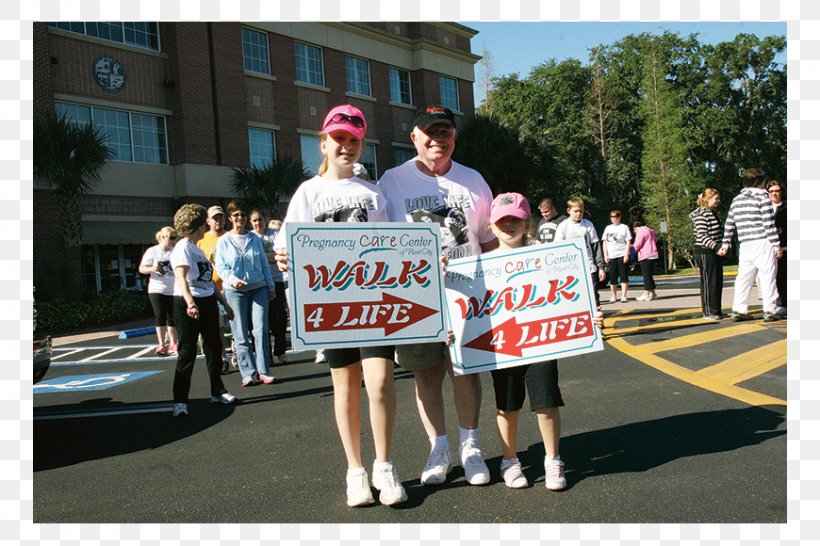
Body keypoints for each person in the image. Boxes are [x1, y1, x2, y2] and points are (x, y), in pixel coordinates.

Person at [274, 104, 407, 507]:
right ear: (324, 143)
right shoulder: (308, 192)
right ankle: (355, 470)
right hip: (331, 307)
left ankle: (384, 465)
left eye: (353, 139)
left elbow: (397, 247)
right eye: (339, 138)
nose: (346, 146)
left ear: (362, 143)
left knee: (381, 384)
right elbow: (287, 245)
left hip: (375, 303)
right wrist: (283, 256)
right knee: (346, 387)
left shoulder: (374, 193)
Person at [378, 105, 495, 487]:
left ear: (454, 138)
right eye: (430, 133)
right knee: (426, 373)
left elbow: (490, 243)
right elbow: (373, 241)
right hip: (416, 297)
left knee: (466, 370)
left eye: (445, 132)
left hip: (468, 293)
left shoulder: (473, 180)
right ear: (414, 137)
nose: (437, 140)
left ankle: (470, 445)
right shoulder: (392, 182)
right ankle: (439, 447)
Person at [480, 192, 604, 490]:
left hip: (542, 341)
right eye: (502, 220)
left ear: (528, 224)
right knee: (506, 404)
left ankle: (553, 458)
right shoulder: (481, 264)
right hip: (504, 345)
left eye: (516, 220)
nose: (508, 225)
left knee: (546, 401)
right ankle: (509, 460)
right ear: (491, 226)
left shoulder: (548, 256)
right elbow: (468, 312)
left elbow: (568, 293)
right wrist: (455, 331)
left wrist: (589, 316)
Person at [169, 204, 237, 417]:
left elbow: (208, 283)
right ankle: (180, 402)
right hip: (187, 303)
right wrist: (190, 303)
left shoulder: (196, 247)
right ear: (197, 225)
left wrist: (225, 304)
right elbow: (181, 277)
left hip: (207, 300)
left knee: (214, 348)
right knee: (187, 352)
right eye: (202, 224)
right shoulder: (182, 247)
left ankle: (217, 391)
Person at [216, 200, 276, 387]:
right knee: (240, 331)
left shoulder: (254, 239)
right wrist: (233, 280)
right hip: (235, 291)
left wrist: (270, 286)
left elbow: (265, 265)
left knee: (260, 329)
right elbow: (221, 267)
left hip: (258, 288)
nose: (240, 218)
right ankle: (247, 372)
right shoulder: (224, 241)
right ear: (230, 218)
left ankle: (264, 370)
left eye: (242, 215)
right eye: (236, 215)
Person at [717, 168, 782, 322]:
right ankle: (770, 310)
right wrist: (776, 245)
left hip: (745, 244)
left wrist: (725, 242)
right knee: (768, 277)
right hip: (763, 242)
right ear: (759, 182)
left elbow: (729, 223)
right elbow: (768, 224)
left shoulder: (737, 199)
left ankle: (739, 309)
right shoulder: (762, 198)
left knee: (744, 278)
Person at [250, 209, 289, 365]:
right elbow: (252, 258)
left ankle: (280, 351)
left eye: (260, 219)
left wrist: (262, 256)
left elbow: (281, 255)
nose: (258, 223)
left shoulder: (275, 234)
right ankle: (266, 356)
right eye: (254, 220)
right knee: (261, 321)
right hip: (260, 283)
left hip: (278, 280)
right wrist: (269, 257)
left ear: (265, 219)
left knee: (279, 318)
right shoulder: (250, 236)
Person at [553, 196, 607, 307]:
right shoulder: (563, 227)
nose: (578, 214)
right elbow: (557, 249)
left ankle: (597, 320)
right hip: (571, 269)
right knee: (575, 298)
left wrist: (601, 268)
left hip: (589, 267)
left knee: (593, 296)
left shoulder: (588, 225)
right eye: (576, 211)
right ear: (569, 211)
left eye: (581, 211)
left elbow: (596, 247)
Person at [197, 206, 232, 373]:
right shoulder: (202, 241)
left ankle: (238, 354)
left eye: (220, 217)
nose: (218, 221)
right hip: (211, 290)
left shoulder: (230, 237)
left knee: (236, 326)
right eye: (214, 218)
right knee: (217, 328)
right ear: (208, 221)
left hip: (231, 287)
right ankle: (223, 358)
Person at [138, 226, 179, 356]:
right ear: (162, 237)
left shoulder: (176, 251)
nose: (173, 241)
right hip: (157, 288)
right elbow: (142, 268)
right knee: (160, 315)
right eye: (171, 238)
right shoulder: (153, 251)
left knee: (172, 316)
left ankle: (173, 343)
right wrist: (153, 268)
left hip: (173, 288)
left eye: (175, 238)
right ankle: (161, 344)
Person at [691, 189, 725, 320]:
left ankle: (716, 310)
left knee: (716, 282)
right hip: (704, 251)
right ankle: (708, 311)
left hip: (714, 251)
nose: (718, 201)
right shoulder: (701, 214)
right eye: (716, 198)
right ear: (707, 199)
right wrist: (717, 247)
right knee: (707, 282)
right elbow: (702, 235)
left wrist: (722, 245)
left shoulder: (711, 213)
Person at [602, 210, 632, 303]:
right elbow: (604, 242)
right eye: (611, 216)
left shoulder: (624, 227)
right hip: (611, 255)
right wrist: (605, 255)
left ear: (619, 217)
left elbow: (628, 241)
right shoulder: (608, 228)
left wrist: (626, 254)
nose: (613, 218)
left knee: (623, 276)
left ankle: (624, 295)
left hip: (621, 254)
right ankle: (613, 295)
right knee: (612, 277)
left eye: (615, 216)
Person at [767, 180, 787, 316]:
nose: (774, 193)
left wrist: (783, 230)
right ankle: (772, 305)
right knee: (770, 279)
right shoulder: (764, 208)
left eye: (777, 191)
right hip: (767, 249)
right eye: (771, 191)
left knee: (783, 277)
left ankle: (784, 304)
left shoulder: (788, 207)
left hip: (784, 247)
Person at [632, 220, 659, 301]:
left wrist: (632, 252)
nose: (635, 232)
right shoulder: (650, 230)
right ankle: (653, 293)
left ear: (636, 227)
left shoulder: (641, 232)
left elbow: (637, 244)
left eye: (634, 230)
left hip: (645, 255)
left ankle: (646, 293)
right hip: (653, 254)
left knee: (646, 275)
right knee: (649, 275)